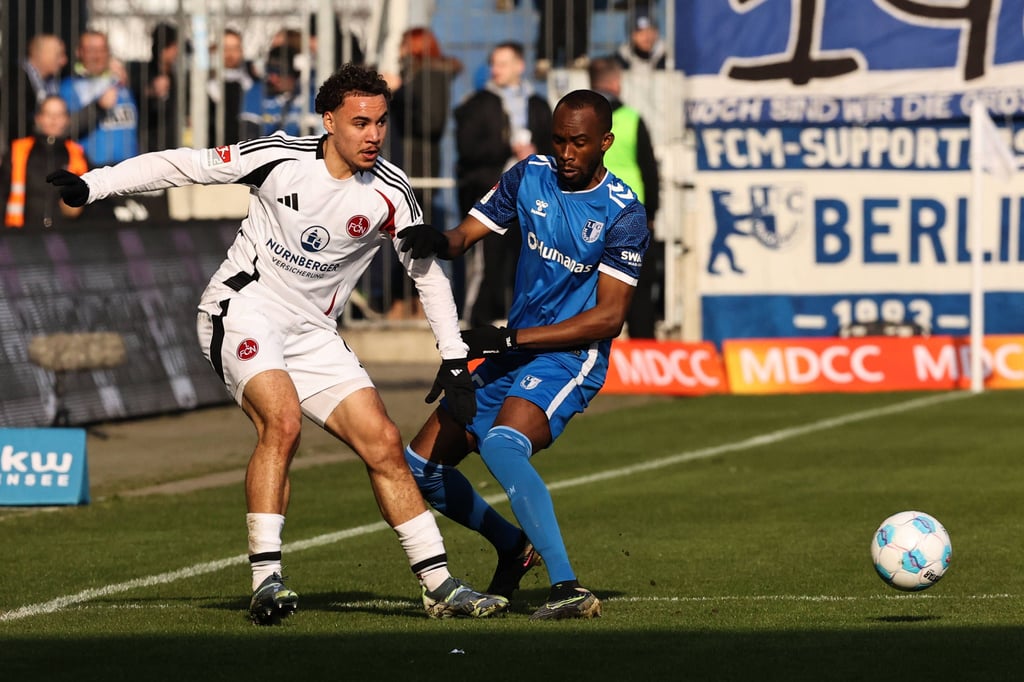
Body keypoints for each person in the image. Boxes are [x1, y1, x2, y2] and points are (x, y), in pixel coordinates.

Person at [47, 63, 508, 625]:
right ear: (329, 119)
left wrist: (454, 358)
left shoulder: (391, 192)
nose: (373, 135)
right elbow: (184, 165)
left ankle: (438, 585)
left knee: (384, 442)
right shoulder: (280, 157)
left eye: (381, 123)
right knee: (282, 421)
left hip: (314, 332)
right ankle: (267, 580)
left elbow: (427, 275)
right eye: (361, 122)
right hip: (244, 309)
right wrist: (97, 183)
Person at [397, 89, 651, 620]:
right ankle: (514, 547)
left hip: (569, 355)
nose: (565, 152)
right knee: (420, 465)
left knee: (504, 445)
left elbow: (609, 318)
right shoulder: (527, 174)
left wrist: (514, 340)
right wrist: (436, 241)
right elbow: (466, 235)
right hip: (514, 344)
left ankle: (569, 589)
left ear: (604, 142)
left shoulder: (623, 211)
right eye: (558, 140)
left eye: (578, 142)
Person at [454, 41, 553, 326]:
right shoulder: (477, 103)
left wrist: (535, 153)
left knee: (528, 262)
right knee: (488, 266)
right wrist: (508, 148)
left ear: (520, 66)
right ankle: (476, 327)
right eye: (494, 63)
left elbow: (553, 146)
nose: (496, 69)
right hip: (492, 196)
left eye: (503, 63)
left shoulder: (538, 104)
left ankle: (523, 327)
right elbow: (468, 149)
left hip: (532, 197)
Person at [385, 27, 462, 319]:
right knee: (401, 235)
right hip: (409, 166)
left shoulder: (431, 75)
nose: (399, 53)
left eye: (404, 46)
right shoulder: (421, 75)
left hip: (419, 168)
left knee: (414, 236)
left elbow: (431, 123)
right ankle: (402, 301)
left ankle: (413, 303)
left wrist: (399, 92)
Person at [588, 56, 662, 338]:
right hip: (631, 215)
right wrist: (652, 213)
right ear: (617, 82)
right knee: (638, 287)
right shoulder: (632, 119)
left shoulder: (586, 121)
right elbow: (649, 170)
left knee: (592, 287)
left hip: (592, 212)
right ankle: (643, 354)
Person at [2, 95, 88, 229]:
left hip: (65, 235)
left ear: (67, 119)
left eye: (59, 115)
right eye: (48, 114)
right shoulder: (17, 150)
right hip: (20, 235)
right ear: (38, 118)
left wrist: (79, 204)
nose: (54, 119)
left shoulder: (77, 153)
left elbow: (90, 198)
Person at [60, 30, 139, 166]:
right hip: (93, 170)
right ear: (79, 52)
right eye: (91, 50)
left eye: (102, 50)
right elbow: (64, 127)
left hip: (130, 168)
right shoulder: (69, 87)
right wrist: (98, 108)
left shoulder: (121, 81)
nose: (97, 56)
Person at [239, 44, 320, 140]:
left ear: (295, 74)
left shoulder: (308, 97)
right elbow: (248, 136)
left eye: (279, 73)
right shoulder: (256, 92)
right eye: (270, 71)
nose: (273, 78)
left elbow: (310, 139)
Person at [6, 34, 69, 144]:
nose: (64, 61)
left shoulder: (53, 82)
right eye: (59, 55)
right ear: (41, 54)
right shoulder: (14, 81)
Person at [131, 22, 183, 153]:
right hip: (151, 147)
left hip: (173, 145)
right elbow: (139, 94)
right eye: (174, 47)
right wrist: (152, 91)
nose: (176, 51)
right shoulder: (144, 73)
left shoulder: (175, 74)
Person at [207, 28, 256, 146]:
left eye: (235, 48)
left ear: (241, 51)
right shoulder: (208, 86)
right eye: (225, 49)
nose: (230, 54)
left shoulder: (250, 83)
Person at [614, 4, 668, 72]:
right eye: (641, 32)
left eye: (650, 31)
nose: (647, 37)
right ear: (632, 35)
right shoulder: (621, 59)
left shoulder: (667, 56)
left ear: (657, 33)